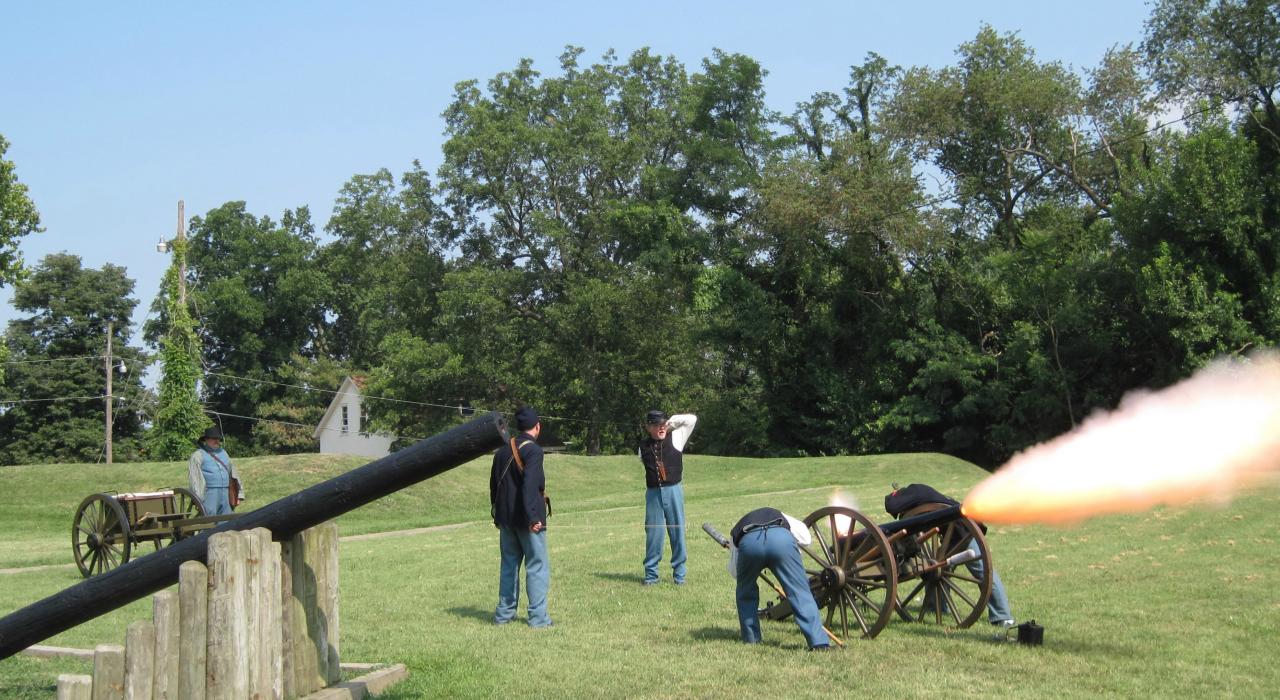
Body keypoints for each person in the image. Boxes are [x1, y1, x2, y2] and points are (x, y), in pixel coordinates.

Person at [884, 483, 1015, 633]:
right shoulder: (923, 493)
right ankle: (935, 607)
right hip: (955, 533)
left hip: (961, 531)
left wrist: (893, 495)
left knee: (984, 574)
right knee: (938, 569)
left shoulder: (913, 490)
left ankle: (1003, 616)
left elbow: (892, 505)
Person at [726, 507, 830, 650]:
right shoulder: (782, 515)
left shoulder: (735, 531)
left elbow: (734, 572)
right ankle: (818, 642)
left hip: (749, 544)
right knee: (800, 592)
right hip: (782, 541)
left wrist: (749, 566)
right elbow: (806, 538)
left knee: (745, 592)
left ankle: (751, 639)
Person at [490, 405, 552, 628]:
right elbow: (530, 487)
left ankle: (504, 615)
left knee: (509, 566)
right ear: (538, 426)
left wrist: (497, 515)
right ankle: (538, 618)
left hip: (506, 520)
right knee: (536, 567)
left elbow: (494, 487)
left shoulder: (502, 451)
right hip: (528, 520)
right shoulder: (533, 451)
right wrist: (534, 517)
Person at [638, 410, 696, 585]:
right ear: (648, 427)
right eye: (656, 425)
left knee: (677, 532)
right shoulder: (642, 447)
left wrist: (670, 424)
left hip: (673, 490)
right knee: (653, 534)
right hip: (653, 494)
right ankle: (651, 576)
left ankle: (679, 575)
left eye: (662, 424)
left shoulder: (677, 437)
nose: (661, 427)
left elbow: (691, 419)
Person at [188, 426, 244, 516]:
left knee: (226, 521)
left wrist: (239, 494)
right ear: (206, 440)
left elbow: (233, 473)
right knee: (208, 521)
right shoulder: (198, 455)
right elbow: (195, 479)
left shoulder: (224, 453)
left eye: (218, 439)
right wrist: (198, 499)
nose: (217, 441)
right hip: (209, 494)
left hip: (226, 493)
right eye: (214, 439)